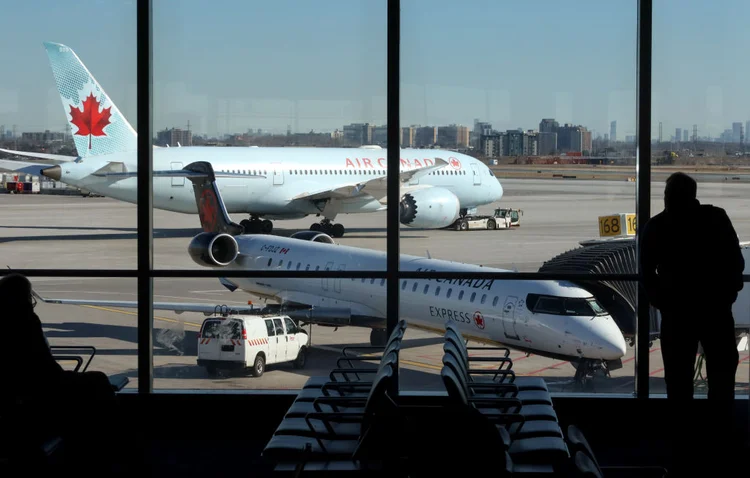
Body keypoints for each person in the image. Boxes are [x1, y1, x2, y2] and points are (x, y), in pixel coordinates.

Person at [639, 172, 743, 473]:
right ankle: (721, 443)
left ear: (669, 196)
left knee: (678, 383)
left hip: (678, 315)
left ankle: (681, 447)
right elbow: (737, 263)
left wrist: (664, 302)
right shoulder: (716, 218)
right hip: (715, 312)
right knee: (722, 382)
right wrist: (727, 295)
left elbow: (646, 274)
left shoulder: (657, 226)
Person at [0, 273, 123, 474]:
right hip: (40, 389)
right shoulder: (26, 320)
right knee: (99, 380)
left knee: (94, 383)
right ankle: (112, 446)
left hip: (23, 391)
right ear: (23, 297)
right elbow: (43, 366)